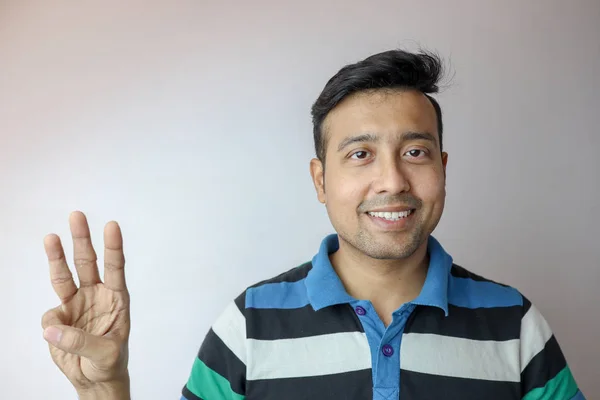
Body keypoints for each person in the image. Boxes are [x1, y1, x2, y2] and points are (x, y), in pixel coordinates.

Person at [41, 49, 586, 400]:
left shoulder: (517, 327)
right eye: (360, 155)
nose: (392, 180)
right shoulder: (247, 327)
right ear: (320, 181)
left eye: (415, 151)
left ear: (443, 168)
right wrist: (106, 390)